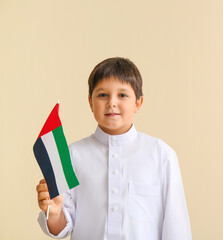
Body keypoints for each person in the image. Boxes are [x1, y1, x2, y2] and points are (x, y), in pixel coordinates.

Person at [36, 57, 192, 240]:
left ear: (138, 103)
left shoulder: (161, 155)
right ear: (90, 102)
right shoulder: (71, 155)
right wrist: (54, 212)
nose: (112, 103)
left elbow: (176, 226)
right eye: (102, 95)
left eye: (123, 95)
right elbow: (62, 227)